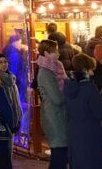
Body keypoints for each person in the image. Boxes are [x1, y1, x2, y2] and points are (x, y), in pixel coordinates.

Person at [64, 53, 102, 169]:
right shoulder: (89, 88)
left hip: (74, 133)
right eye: (90, 70)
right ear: (85, 70)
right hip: (91, 133)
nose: (93, 73)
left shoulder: (68, 87)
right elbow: (101, 113)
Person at [36, 39, 69, 168]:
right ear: (46, 53)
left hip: (59, 115)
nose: (58, 54)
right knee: (59, 152)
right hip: (54, 116)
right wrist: (69, 92)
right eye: (54, 51)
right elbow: (57, 98)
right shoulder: (45, 72)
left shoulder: (56, 68)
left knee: (61, 152)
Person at [0, 53, 23, 132]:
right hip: (4, 118)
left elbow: (16, 101)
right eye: (0, 62)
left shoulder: (11, 78)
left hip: (15, 117)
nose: (4, 64)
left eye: (5, 61)